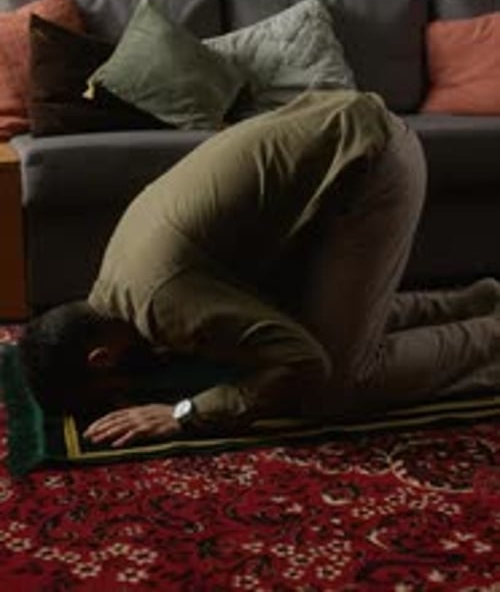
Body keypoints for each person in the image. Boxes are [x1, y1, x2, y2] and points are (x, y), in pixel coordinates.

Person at [18, 89, 500, 448]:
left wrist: (184, 413)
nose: (127, 396)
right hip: (343, 137)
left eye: (111, 393)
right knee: (313, 327)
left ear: (100, 359)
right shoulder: (115, 279)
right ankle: (478, 301)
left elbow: (304, 361)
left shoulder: (163, 300)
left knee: (334, 386)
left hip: (371, 161)